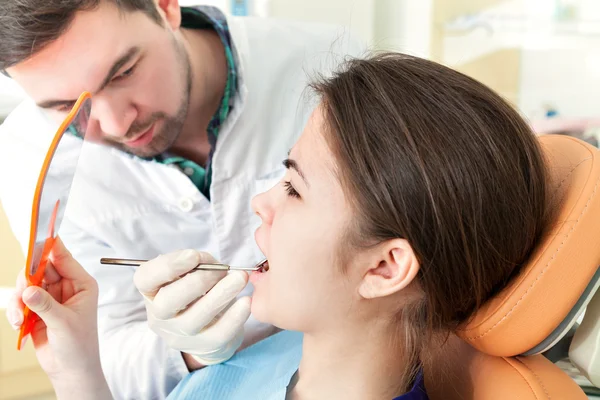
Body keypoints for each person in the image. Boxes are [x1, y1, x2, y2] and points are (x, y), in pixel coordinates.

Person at [18, 52, 550, 399]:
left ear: (385, 266)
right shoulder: (270, 357)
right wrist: (78, 366)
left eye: (293, 188)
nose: (259, 202)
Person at [0, 1, 363, 398]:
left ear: (166, 7)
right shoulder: (27, 157)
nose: (116, 124)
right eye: (67, 110)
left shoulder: (335, 65)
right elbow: (104, 360)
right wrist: (188, 350)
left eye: (123, 72)